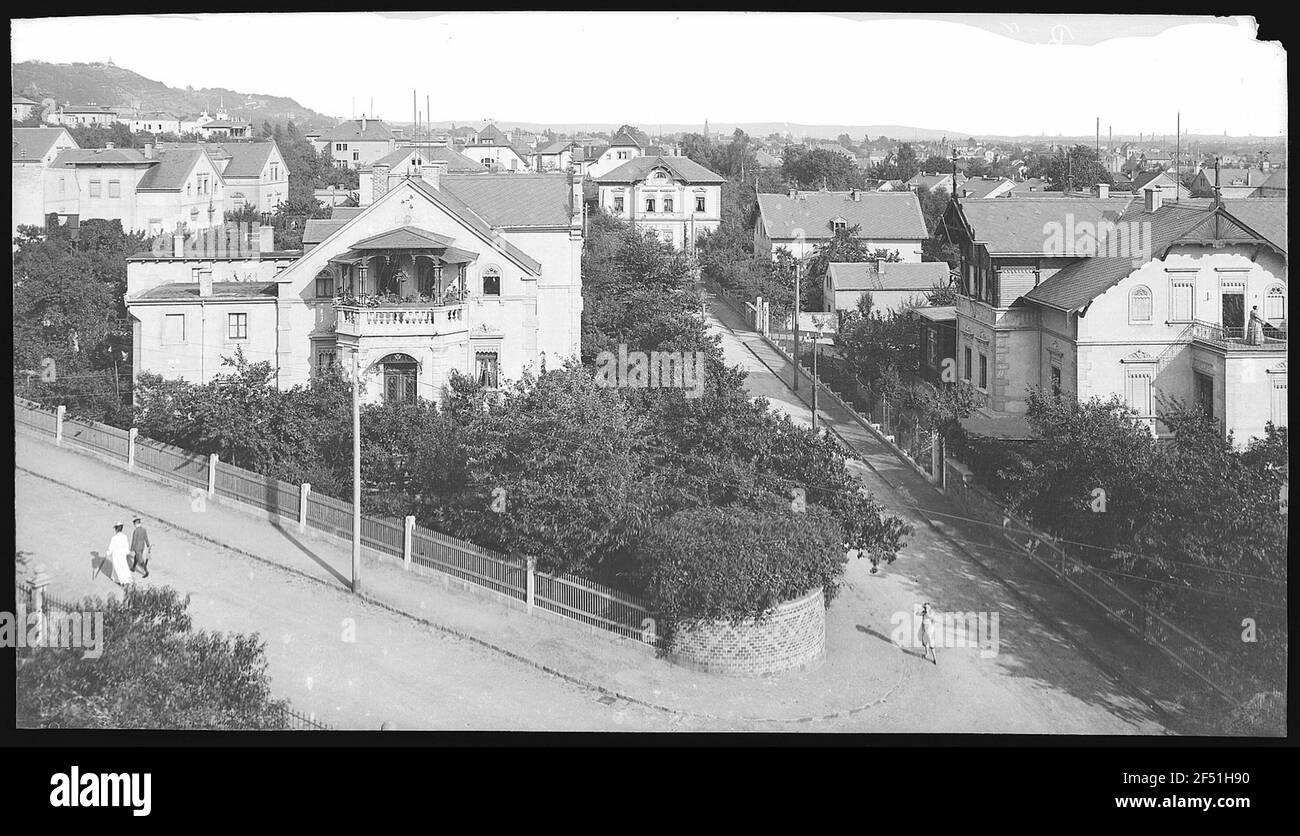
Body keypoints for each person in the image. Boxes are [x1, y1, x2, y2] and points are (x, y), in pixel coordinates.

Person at [106, 523, 133, 587]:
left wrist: (108, 553)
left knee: (117, 567)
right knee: (123, 566)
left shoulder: (114, 538)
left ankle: (121, 581)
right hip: (122, 554)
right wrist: (127, 552)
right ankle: (123, 579)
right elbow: (126, 546)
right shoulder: (125, 536)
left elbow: (111, 547)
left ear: (116, 529)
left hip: (116, 555)